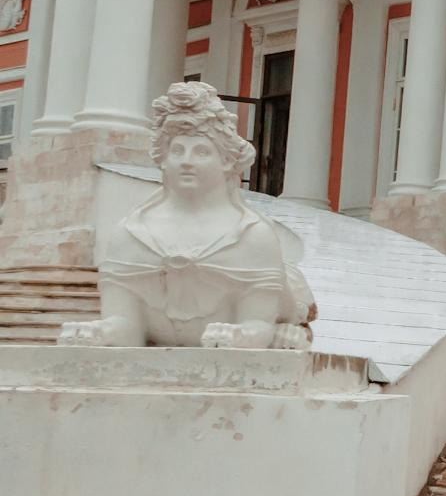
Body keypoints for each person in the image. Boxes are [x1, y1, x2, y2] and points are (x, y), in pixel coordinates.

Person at [58, 81, 314, 350]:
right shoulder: (130, 234)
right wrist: (103, 331)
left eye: (202, 151)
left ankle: (289, 325)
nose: (186, 161)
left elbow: (256, 324)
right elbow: (128, 327)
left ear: (226, 161)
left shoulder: (253, 236)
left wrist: (246, 335)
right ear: (164, 160)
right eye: (177, 150)